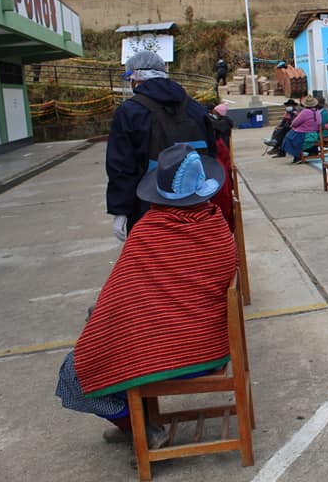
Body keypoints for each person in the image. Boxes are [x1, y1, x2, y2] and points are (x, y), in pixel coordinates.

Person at [56, 143, 237, 448]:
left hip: (181, 351)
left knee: (77, 372)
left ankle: (136, 426)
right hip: (212, 343)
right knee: (104, 332)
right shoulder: (215, 224)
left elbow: (124, 292)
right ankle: (135, 417)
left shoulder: (150, 231)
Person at [106, 50, 215, 241]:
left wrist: (120, 210)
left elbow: (121, 166)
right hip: (196, 204)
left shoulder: (130, 111)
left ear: (135, 78)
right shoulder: (195, 108)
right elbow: (211, 155)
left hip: (148, 208)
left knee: (157, 263)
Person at [281, 96, 324, 163]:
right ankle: (299, 154)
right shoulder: (317, 112)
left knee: (288, 137)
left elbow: (295, 123)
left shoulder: (305, 112)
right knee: (291, 135)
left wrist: (293, 126)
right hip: (314, 134)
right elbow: (319, 122)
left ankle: (297, 155)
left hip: (304, 135)